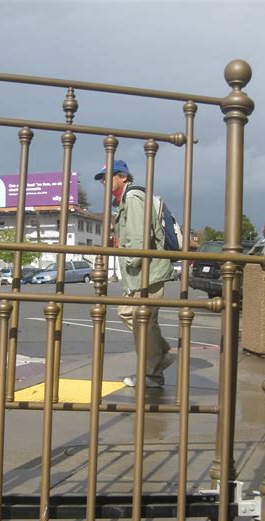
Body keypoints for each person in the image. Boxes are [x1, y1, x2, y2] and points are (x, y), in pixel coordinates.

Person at [94, 160, 175, 388]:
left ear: (123, 177)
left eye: (107, 175)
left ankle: (155, 364)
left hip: (147, 271)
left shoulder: (132, 198)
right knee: (143, 319)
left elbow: (139, 237)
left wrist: (131, 261)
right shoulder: (122, 200)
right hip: (141, 272)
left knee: (134, 316)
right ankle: (157, 366)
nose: (103, 181)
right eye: (101, 177)